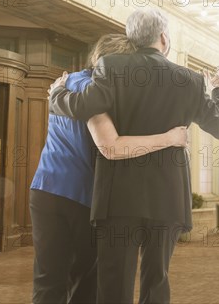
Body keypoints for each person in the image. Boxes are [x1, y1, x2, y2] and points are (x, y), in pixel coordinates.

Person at [49, 8, 219, 304]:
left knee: (113, 283)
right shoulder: (191, 81)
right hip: (167, 197)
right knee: (156, 279)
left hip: (119, 198)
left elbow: (82, 106)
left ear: (132, 38)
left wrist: (56, 95)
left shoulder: (112, 66)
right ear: (164, 38)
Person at [30, 34, 188, 304]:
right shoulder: (99, 95)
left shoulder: (66, 83)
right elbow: (113, 146)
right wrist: (172, 138)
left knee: (47, 279)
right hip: (84, 198)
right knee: (85, 281)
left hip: (45, 190)